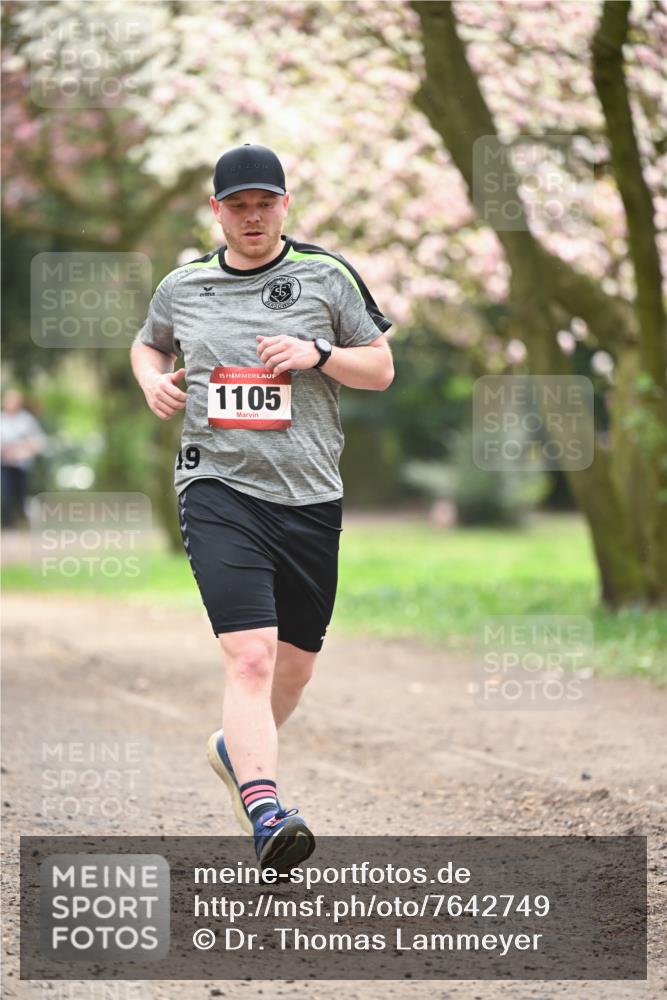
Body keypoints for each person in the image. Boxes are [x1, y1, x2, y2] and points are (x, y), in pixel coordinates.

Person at [130, 143, 393, 874]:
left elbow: (379, 368)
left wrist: (318, 354)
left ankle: (233, 750)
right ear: (215, 211)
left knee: (294, 669)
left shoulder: (326, 276)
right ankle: (266, 811)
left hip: (309, 494)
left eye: (263, 203)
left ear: (285, 204)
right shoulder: (182, 285)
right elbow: (147, 345)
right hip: (216, 486)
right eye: (237, 206)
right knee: (250, 655)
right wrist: (152, 381)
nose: (251, 217)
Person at [1, 389, 45, 529]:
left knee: (22, 496)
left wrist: (24, 448)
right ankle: (8, 525)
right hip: (4, 465)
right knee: (5, 494)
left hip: (22, 466)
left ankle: (23, 522)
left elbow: (39, 441)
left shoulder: (26, 420)